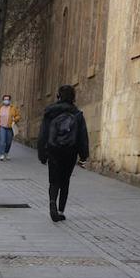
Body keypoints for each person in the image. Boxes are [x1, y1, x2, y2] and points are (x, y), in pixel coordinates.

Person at [37, 84, 90, 222]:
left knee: (53, 180)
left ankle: (52, 205)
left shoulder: (50, 112)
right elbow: (82, 136)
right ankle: (61, 210)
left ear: (58, 96)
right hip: (70, 151)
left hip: (53, 150)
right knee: (65, 180)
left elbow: (43, 134)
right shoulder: (77, 114)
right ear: (73, 97)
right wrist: (84, 155)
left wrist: (42, 153)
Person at [0, 94, 22, 160]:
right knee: (2, 141)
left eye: (7, 99)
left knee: (9, 142)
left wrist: (15, 119)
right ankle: (2, 154)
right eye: (5, 99)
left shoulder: (13, 108)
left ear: (9, 100)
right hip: (1, 127)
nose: (6, 101)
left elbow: (18, 116)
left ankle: (6, 153)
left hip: (10, 127)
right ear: (3, 100)